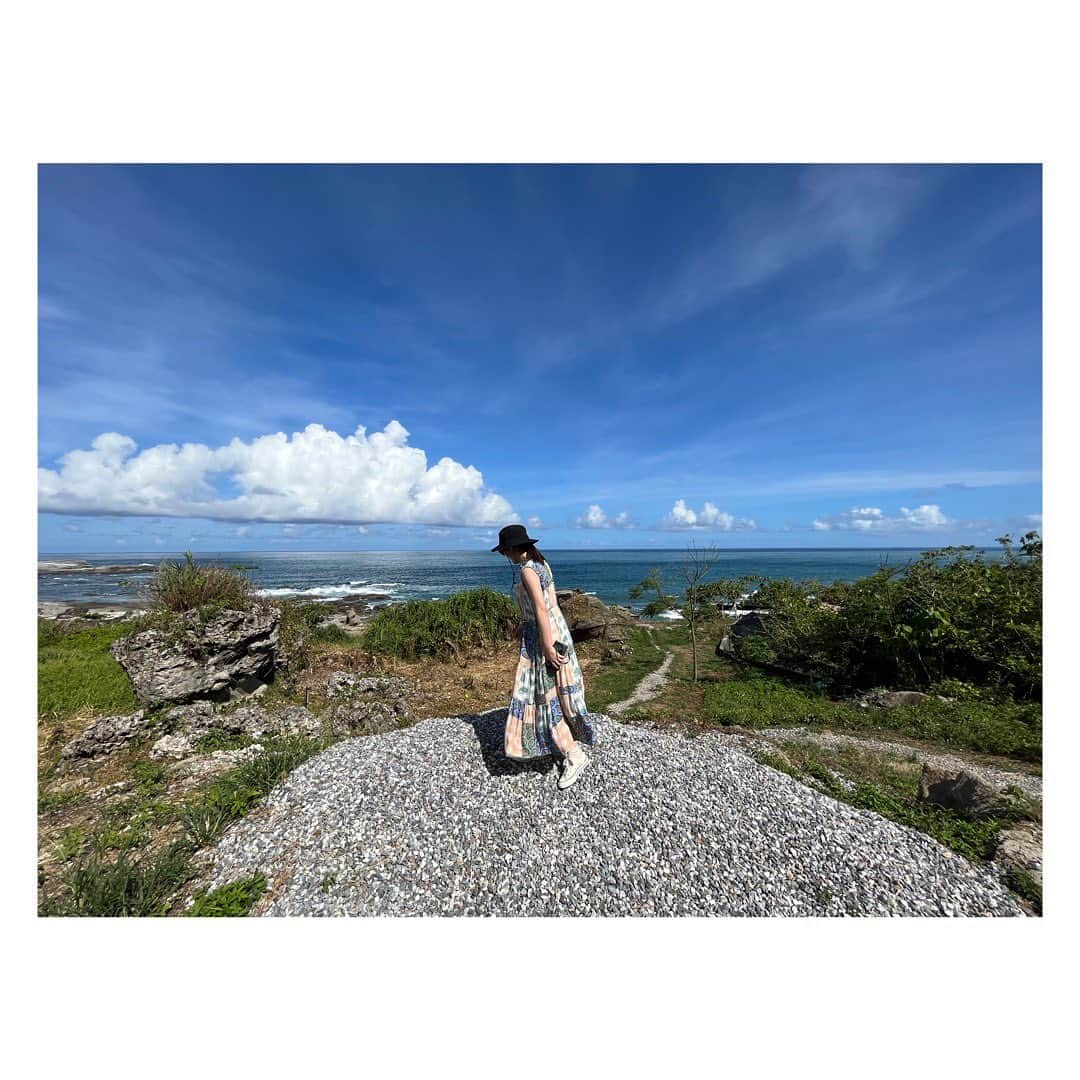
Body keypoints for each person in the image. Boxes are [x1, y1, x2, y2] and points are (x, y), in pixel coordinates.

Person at [491, 523, 594, 789]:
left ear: (513, 548)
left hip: (543, 636)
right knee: (557, 689)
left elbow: (540, 608)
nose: (506, 556)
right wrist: (524, 624)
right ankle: (564, 736)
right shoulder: (542, 563)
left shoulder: (527, 570)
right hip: (556, 629)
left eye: (505, 551)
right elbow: (549, 604)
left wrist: (546, 645)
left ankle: (573, 753)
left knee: (542, 693)